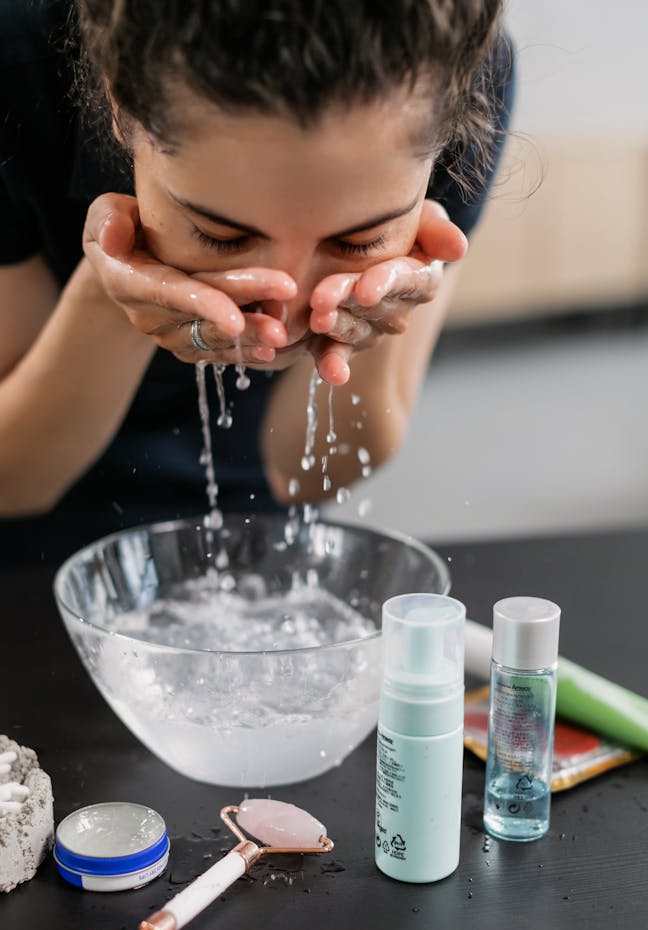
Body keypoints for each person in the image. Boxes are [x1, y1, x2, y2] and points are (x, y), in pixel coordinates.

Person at [0, 0, 513, 563]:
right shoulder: (14, 57)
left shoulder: (458, 73)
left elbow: (306, 476)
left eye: (358, 240)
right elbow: (14, 483)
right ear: (119, 101)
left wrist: (381, 311)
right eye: (220, 236)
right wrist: (112, 287)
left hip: (263, 536)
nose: (282, 316)